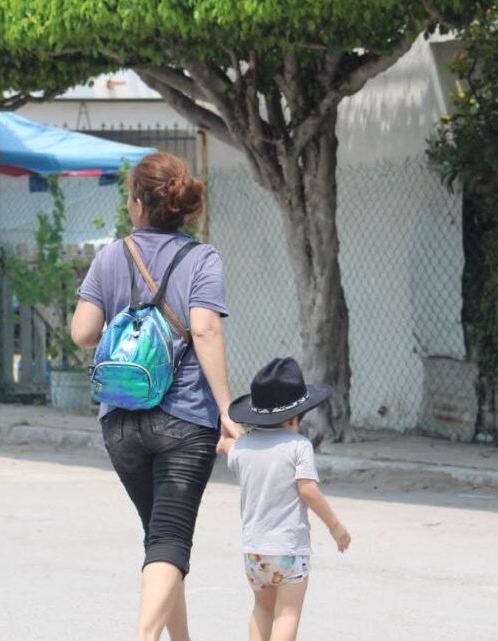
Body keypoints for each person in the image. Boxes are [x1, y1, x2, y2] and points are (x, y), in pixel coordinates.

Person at [70, 152, 243, 641]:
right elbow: (206, 331)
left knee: (161, 539)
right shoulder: (201, 258)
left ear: (138, 203)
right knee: (169, 538)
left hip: (120, 421)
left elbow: (83, 332)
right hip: (185, 421)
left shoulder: (110, 255)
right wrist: (227, 409)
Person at [219, 357, 352, 641]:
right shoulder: (299, 446)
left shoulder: (243, 447)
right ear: (294, 418)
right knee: (288, 613)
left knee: (262, 609)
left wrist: (226, 435)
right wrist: (335, 526)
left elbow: (226, 445)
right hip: (289, 550)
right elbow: (308, 490)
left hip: (255, 552)